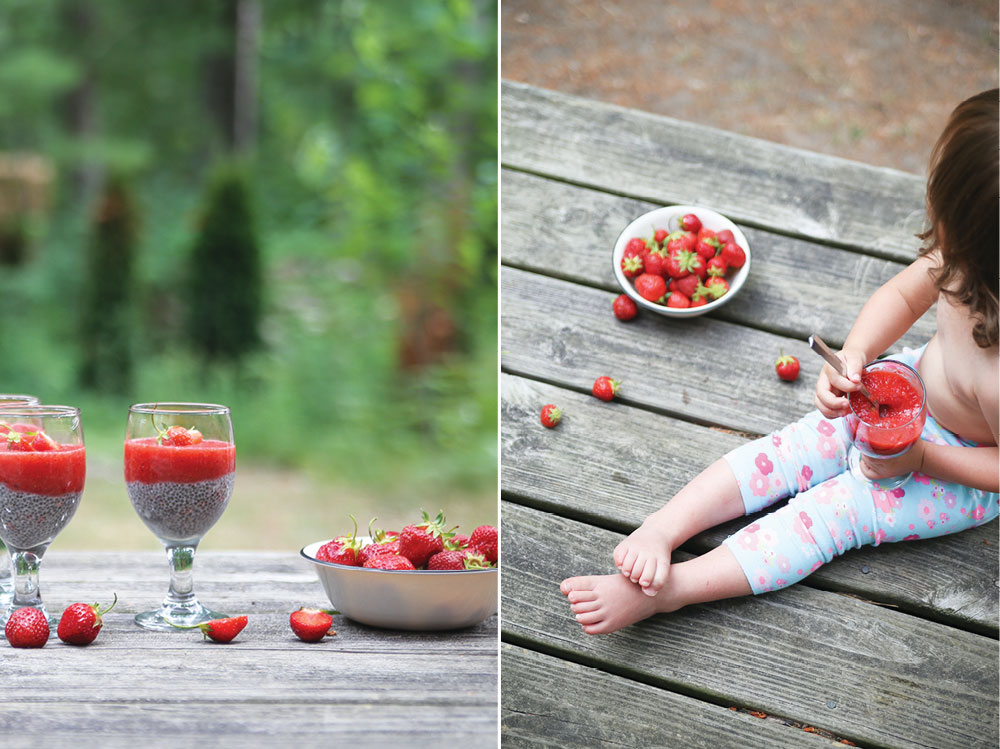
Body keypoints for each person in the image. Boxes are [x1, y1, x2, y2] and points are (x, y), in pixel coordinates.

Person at [560, 88, 1000, 635]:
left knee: (833, 517)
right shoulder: (961, 265)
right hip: (901, 387)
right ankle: (661, 527)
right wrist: (856, 354)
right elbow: (903, 297)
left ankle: (672, 591)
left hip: (953, 471)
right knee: (785, 453)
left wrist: (921, 459)